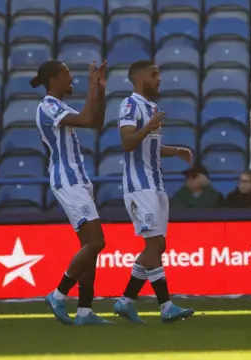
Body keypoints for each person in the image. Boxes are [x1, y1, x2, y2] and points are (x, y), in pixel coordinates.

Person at [111, 60, 195, 323]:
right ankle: (164, 305)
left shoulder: (153, 107)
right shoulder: (130, 104)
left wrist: (175, 150)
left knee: (159, 244)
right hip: (139, 184)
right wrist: (147, 127)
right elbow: (127, 142)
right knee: (153, 244)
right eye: (154, 74)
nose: (159, 79)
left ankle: (126, 301)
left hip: (156, 183)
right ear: (139, 78)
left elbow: (151, 146)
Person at [34, 59, 113, 325]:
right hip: (67, 180)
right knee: (96, 242)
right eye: (67, 74)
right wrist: (93, 85)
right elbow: (89, 118)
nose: (71, 78)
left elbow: (96, 121)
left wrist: (99, 89)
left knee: (89, 248)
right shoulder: (48, 106)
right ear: (54, 78)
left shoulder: (60, 106)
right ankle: (58, 294)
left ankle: (84, 310)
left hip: (78, 179)